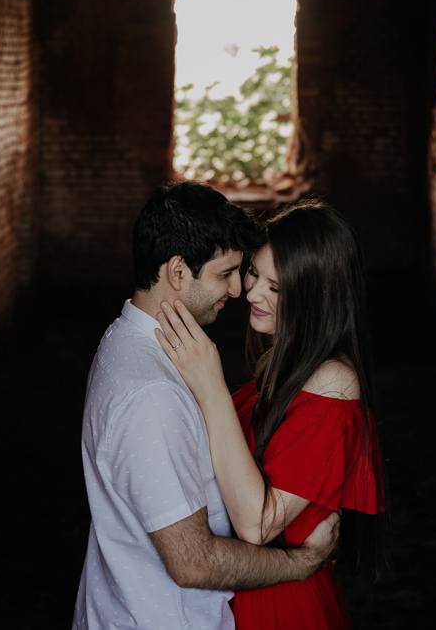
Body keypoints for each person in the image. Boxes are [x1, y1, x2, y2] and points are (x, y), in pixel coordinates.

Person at [72, 182, 340, 630]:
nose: (239, 290)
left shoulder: (124, 338)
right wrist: (300, 564)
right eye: (226, 273)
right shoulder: (152, 396)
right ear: (178, 272)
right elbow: (193, 562)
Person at [156, 201, 387, 630]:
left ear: (317, 294)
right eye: (254, 273)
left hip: (285, 608)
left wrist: (211, 389)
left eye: (276, 288)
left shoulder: (333, 383)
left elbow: (257, 525)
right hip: (242, 594)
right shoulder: (280, 365)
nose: (251, 292)